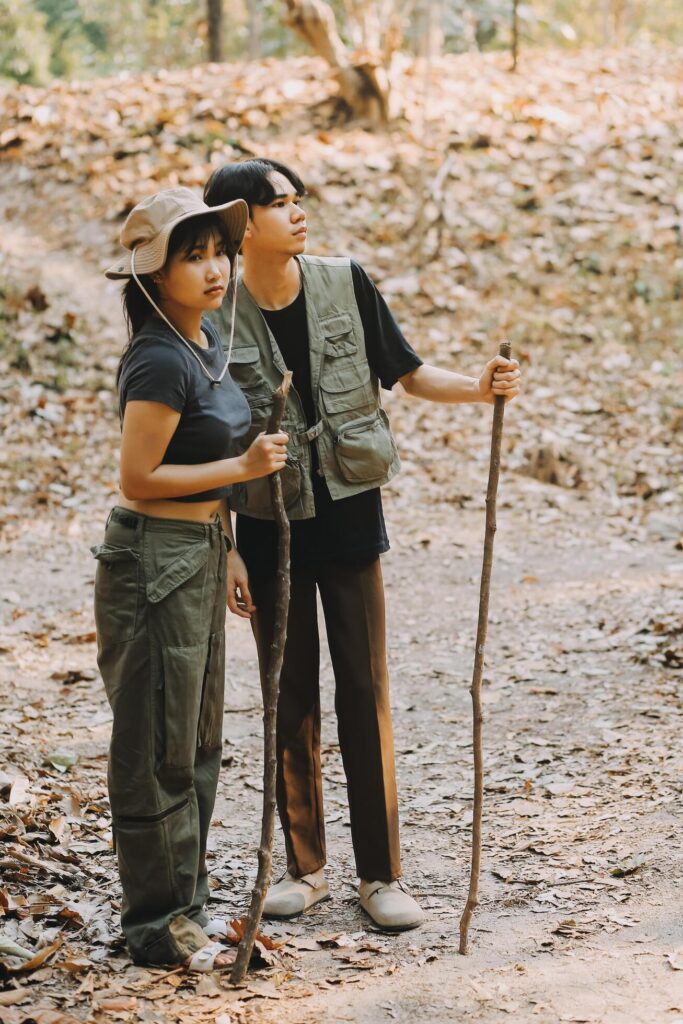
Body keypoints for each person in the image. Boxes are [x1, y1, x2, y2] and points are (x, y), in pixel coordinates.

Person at [204, 159, 521, 932]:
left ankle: (381, 875)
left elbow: (406, 375)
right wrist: (227, 550)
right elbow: (201, 435)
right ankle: (305, 868)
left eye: (298, 198)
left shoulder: (344, 280)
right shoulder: (213, 312)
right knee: (290, 696)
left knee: (364, 691)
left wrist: (479, 386)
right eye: (278, 203)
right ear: (240, 224)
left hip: (347, 515)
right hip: (264, 524)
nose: (297, 211)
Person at [94, 187, 289, 969]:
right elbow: (138, 476)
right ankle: (156, 924)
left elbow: (194, 472)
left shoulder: (202, 340)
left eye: (218, 252)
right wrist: (241, 469)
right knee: (156, 746)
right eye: (193, 255)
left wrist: (230, 541)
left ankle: (187, 908)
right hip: (152, 562)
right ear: (153, 274)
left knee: (198, 740)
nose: (214, 269)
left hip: (201, 551)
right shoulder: (157, 357)